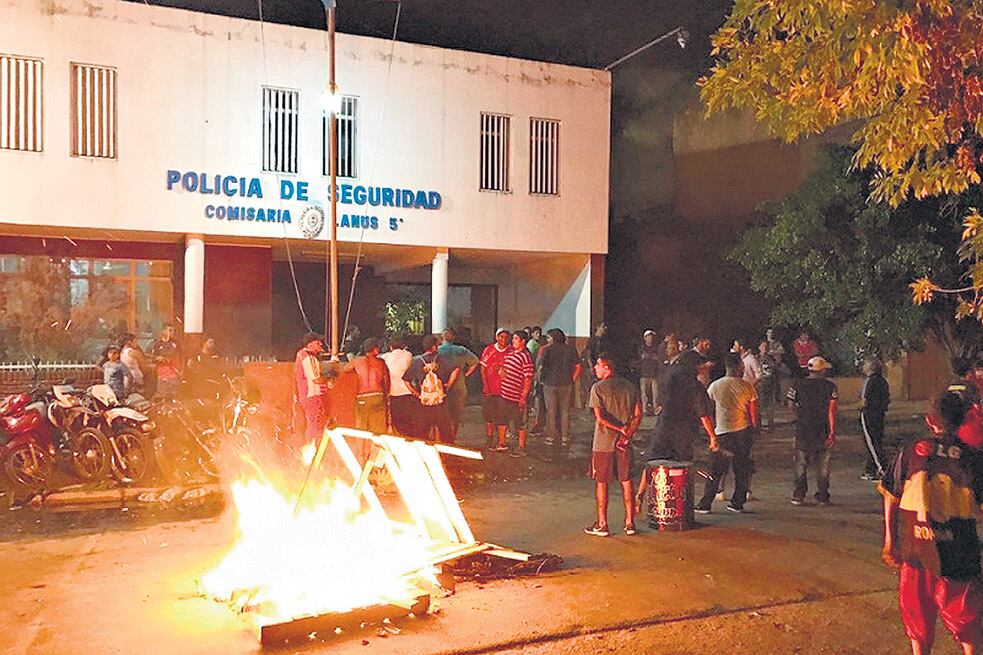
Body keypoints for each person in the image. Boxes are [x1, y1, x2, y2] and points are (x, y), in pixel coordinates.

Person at [880, 389, 983, 655]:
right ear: (963, 421)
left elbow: (891, 494)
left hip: (917, 551)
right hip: (960, 553)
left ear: (929, 420)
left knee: (918, 620)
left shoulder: (911, 453)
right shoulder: (973, 459)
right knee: (968, 622)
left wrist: (890, 540)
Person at [584, 355, 643, 537]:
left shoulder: (597, 388)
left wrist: (618, 428)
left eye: (598, 365)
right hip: (624, 443)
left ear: (607, 368)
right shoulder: (630, 387)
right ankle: (630, 523)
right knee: (626, 481)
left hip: (603, 443)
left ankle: (602, 524)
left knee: (602, 482)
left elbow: (600, 418)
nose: (595, 368)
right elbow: (638, 414)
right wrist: (627, 432)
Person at [696, 352, 759, 514]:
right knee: (741, 469)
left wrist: (711, 432)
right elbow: (753, 413)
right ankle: (737, 502)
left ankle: (705, 503)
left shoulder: (715, 386)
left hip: (721, 432)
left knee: (715, 471)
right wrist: (754, 430)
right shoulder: (747, 386)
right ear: (739, 366)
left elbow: (708, 410)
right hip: (742, 431)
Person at [786, 356, 838, 505]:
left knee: (801, 464)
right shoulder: (830, 387)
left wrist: (800, 416)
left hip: (803, 429)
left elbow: (790, 405)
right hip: (822, 429)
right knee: (822, 466)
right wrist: (832, 432)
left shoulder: (797, 385)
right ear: (822, 370)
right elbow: (832, 410)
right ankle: (823, 495)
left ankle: (798, 495)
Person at [648, 352, 715, 461]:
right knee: (681, 464)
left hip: (663, 427)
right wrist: (713, 436)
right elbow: (704, 413)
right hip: (682, 433)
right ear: (694, 366)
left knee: (657, 462)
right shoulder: (693, 385)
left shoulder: (669, 376)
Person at [403, 335, 457, 442]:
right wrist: (448, 386)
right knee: (445, 432)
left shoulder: (417, 361)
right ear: (434, 347)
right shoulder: (442, 359)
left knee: (422, 433)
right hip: (440, 401)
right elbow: (456, 370)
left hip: (424, 402)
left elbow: (406, 379)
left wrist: (416, 393)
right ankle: (445, 451)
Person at [538, 328, 582, 447]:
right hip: (566, 383)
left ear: (553, 338)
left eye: (549, 337)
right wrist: (572, 379)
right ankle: (565, 436)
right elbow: (578, 366)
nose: (547, 340)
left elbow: (541, 367)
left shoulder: (547, 350)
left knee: (551, 411)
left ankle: (551, 437)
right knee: (565, 411)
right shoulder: (570, 349)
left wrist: (541, 380)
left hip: (549, 384)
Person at [498, 330, 536, 457]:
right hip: (505, 394)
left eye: (516, 339)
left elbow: (528, 378)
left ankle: (521, 447)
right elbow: (504, 369)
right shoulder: (510, 354)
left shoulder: (526, 357)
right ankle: (502, 443)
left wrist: (524, 396)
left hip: (517, 396)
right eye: (513, 338)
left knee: (520, 423)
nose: (513, 341)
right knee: (502, 420)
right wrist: (502, 372)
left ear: (523, 341)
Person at [438, 328, 479, 440]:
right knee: (455, 415)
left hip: (440, 386)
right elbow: (475, 362)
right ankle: (452, 438)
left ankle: (441, 439)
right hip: (458, 386)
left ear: (442, 338)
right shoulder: (461, 350)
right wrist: (465, 374)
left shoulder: (437, 351)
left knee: (440, 415)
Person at [350, 337, 390, 437]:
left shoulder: (357, 361)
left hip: (361, 397)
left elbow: (345, 370)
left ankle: (360, 447)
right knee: (378, 431)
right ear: (375, 349)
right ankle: (375, 448)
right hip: (377, 396)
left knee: (361, 429)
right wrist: (386, 397)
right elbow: (386, 383)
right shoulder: (381, 362)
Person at [295, 332, 330, 442]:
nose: (321, 344)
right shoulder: (308, 358)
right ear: (309, 344)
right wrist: (330, 376)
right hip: (312, 396)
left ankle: (312, 446)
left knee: (312, 423)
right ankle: (313, 447)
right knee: (315, 425)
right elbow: (316, 379)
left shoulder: (302, 355)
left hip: (306, 396)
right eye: (317, 342)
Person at [480, 329, 511, 449]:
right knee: (489, 415)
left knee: (503, 415)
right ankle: (490, 437)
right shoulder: (489, 350)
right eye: (501, 337)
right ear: (497, 337)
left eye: (506, 337)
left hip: (505, 390)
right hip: (491, 389)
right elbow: (483, 369)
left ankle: (502, 440)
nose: (503, 340)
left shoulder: (511, 351)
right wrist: (485, 385)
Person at [860, 358, 890, 481]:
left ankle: (883, 470)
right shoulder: (883, 381)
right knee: (876, 441)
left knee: (872, 442)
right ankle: (870, 469)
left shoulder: (870, 381)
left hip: (869, 414)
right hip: (879, 414)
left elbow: (864, 400)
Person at [381, 336, 415, 436]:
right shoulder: (408, 355)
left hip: (394, 393)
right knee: (409, 421)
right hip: (408, 392)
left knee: (397, 420)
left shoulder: (385, 357)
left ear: (390, 347)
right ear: (403, 346)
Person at [151, 324, 182, 396]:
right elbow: (153, 358)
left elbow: (180, 356)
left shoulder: (177, 343)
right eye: (170, 331)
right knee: (162, 394)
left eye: (173, 331)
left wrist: (181, 370)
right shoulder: (157, 344)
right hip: (162, 373)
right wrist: (158, 358)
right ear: (163, 331)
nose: (172, 333)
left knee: (174, 395)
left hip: (174, 372)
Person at [636, 330, 661, 416]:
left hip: (654, 374)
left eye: (652, 336)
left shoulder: (656, 348)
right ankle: (645, 410)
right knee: (644, 394)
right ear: (645, 338)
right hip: (644, 374)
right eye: (649, 336)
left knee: (656, 394)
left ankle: (656, 409)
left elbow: (658, 358)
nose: (651, 338)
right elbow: (642, 357)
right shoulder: (641, 348)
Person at [757, 340, 780, 431]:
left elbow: (775, 370)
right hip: (760, 383)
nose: (765, 348)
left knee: (769, 404)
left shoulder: (771, 358)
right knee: (759, 404)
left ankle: (770, 424)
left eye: (766, 346)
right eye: (763, 346)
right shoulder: (756, 358)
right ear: (759, 347)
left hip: (770, 382)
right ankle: (758, 425)